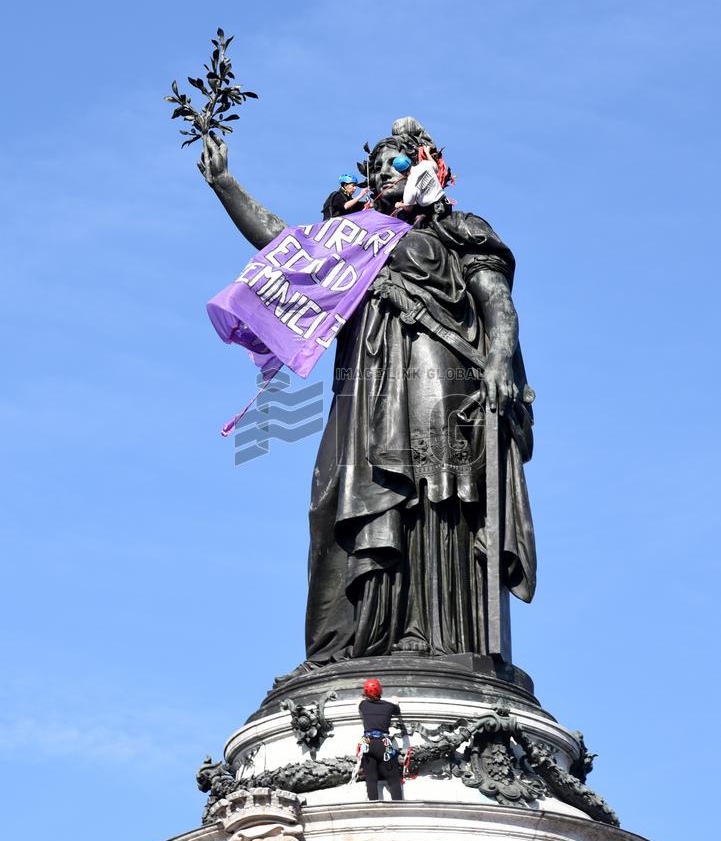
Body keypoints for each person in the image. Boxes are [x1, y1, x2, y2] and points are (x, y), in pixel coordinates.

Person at [199, 115, 536, 670]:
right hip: (365, 389)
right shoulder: (349, 241)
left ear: (427, 168)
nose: (385, 172)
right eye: (376, 166)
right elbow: (285, 246)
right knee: (336, 495)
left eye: (398, 162)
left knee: (433, 495)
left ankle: (437, 636)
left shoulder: (456, 232)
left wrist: (500, 359)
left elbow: (496, 300)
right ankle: (359, 639)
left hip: (438, 375)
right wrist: (227, 187)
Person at [358, 678, 403, 801]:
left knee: (371, 779)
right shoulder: (389, 707)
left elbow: (359, 701)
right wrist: (395, 701)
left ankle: (373, 805)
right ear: (380, 691)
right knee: (393, 779)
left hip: (368, 743)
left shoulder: (363, 705)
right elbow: (397, 710)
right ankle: (398, 804)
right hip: (383, 744)